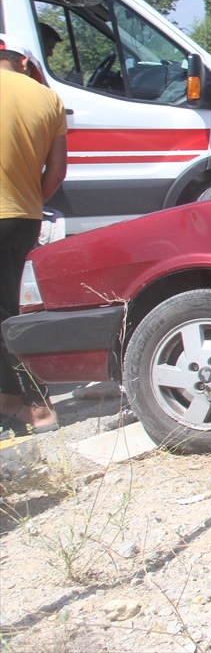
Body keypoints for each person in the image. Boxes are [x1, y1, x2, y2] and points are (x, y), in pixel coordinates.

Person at [0, 42, 67, 435]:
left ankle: (38, 407)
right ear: (24, 63)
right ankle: (12, 400)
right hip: (24, 216)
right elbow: (57, 171)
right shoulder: (48, 98)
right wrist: (27, 202)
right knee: (14, 312)